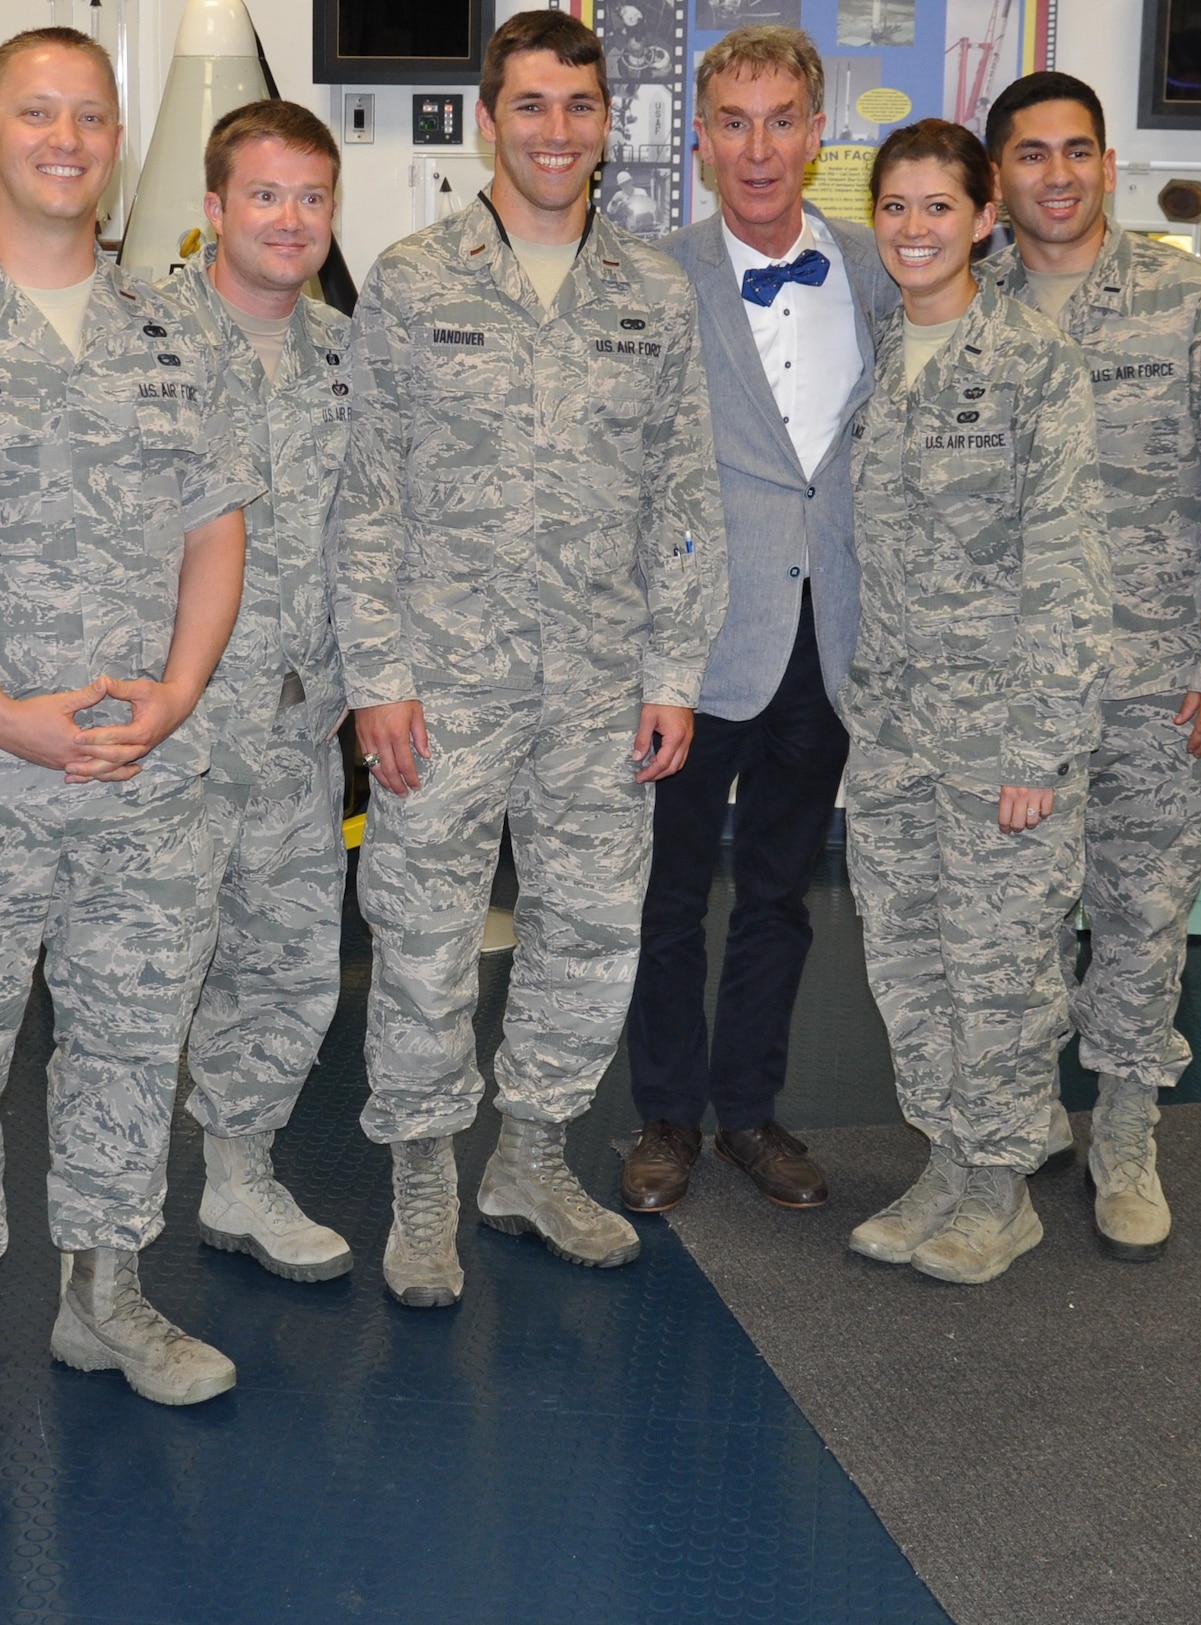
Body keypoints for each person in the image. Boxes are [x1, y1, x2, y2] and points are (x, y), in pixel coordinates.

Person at [0, 28, 257, 1417]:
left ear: (116, 143)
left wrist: (174, 693)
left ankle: (106, 1298)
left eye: (91, 116)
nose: (65, 137)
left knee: (127, 1038)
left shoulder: (176, 325)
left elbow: (218, 532)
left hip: (143, 781)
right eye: (34, 113)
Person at [330, 11, 726, 1308]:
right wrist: (375, 677)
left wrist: (674, 673)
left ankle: (533, 1156)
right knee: (427, 938)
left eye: (580, 106)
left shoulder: (652, 295)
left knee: (591, 933)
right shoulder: (410, 280)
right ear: (489, 117)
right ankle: (426, 1179)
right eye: (533, 105)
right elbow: (365, 497)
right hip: (441, 689)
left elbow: (686, 498)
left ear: (609, 124)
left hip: (602, 689)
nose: (557, 131)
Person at [982, 73, 1201, 1260]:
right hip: (1011, 695)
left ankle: (1122, 1128)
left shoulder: (1187, 303)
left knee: (1138, 917)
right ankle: (1011, 1135)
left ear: (1105, 166)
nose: (1055, 174)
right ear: (996, 174)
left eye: (1076, 151)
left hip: (1156, 680)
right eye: (1029, 154)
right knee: (1006, 928)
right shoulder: (966, 303)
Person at [621, 26, 899, 1216]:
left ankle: (750, 1113)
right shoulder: (645, 277)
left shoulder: (882, 272)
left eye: (780, 119)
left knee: (782, 895)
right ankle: (665, 1118)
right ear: (698, 138)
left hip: (824, 640)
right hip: (695, 644)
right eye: (731, 123)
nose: (756, 148)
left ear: (817, 132)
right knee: (667, 895)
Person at [840, 119, 1111, 1285]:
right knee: (910, 966)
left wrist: (1040, 748)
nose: (912, 229)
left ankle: (1001, 1188)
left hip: (1001, 734)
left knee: (1001, 970)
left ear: (983, 216)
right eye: (893, 207)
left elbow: (1066, 565)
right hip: (892, 733)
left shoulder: (1031, 364)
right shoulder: (877, 359)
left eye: (936, 207)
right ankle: (946, 1162)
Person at [154, 100, 354, 1283]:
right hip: (174, 728)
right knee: (138, 987)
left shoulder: (349, 353)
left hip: (298, 722)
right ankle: (105, 1246)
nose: (289, 220)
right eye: (264, 195)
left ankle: (238, 1176)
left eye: (311, 197)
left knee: (286, 969)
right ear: (215, 208)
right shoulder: (143, 344)